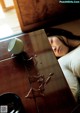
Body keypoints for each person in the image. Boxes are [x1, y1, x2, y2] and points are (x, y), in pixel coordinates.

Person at [45, 28, 80, 101]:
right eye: (51, 50)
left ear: (58, 33)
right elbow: (74, 93)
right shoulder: (63, 61)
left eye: (51, 41)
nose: (54, 48)